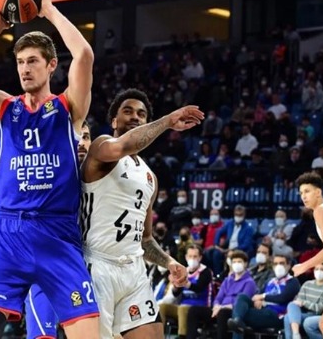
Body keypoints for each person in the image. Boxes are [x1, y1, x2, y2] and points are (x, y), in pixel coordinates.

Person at [0, 0, 100, 339]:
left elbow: (84, 56)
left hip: (57, 233)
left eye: (33, 61)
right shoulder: (2, 107)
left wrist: (49, 11)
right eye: (19, 62)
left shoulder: (68, 107)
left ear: (51, 66)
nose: (24, 68)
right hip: (9, 232)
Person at [79, 89, 203, 338]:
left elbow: (145, 240)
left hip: (134, 270)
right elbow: (126, 144)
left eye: (141, 114)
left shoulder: (150, 177)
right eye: (128, 111)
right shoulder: (101, 147)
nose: (135, 116)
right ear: (114, 121)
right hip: (96, 265)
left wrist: (169, 262)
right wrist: (167, 121)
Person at [24, 120, 92, 339]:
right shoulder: (46, 174)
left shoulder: (104, 178)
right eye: (76, 136)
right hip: (49, 263)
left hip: (93, 267)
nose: (81, 142)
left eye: (86, 137)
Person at [292, 172, 323, 339]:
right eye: (301, 193)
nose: (303, 196)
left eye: (307, 191)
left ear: (318, 192)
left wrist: (303, 266)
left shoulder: (320, 211)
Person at [186, 250, 256, 339]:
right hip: (218, 310)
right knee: (193, 310)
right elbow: (219, 297)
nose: (236, 264)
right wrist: (216, 306)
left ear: (245, 264)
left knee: (223, 313)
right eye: (234, 262)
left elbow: (242, 303)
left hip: (233, 312)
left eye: (239, 262)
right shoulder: (227, 280)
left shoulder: (249, 282)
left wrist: (221, 307)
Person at [283, 262, 323, 339]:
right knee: (291, 306)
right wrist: (301, 303)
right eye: (316, 269)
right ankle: (296, 334)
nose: (319, 271)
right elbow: (298, 301)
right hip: (304, 313)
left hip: (316, 315)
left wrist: (304, 303)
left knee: (288, 317)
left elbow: (320, 308)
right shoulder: (307, 284)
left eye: (322, 269)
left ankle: (295, 336)